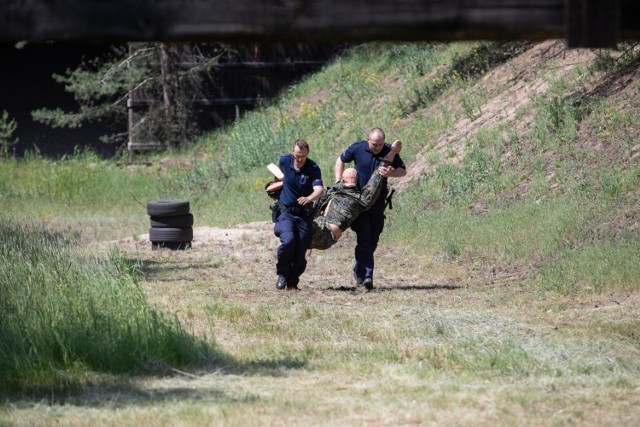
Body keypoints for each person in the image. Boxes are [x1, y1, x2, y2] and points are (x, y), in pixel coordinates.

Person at [334, 127, 406, 290]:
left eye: (380, 144)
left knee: (374, 237)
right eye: (374, 144)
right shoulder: (358, 147)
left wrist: (390, 173)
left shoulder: (389, 150)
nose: (378, 147)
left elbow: (403, 171)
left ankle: (359, 268)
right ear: (368, 140)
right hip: (358, 201)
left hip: (378, 203)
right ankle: (367, 277)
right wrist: (339, 181)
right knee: (365, 237)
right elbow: (340, 160)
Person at [310, 140, 402, 253]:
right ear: (343, 180)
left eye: (354, 176)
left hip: (326, 233)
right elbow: (375, 179)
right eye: (351, 176)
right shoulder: (334, 191)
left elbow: (377, 176)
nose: (352, 178)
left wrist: (392, 152)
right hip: (317, 229)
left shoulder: (358, 199)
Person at [273, 139, 324, 290]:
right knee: (288, 241)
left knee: (301, 249)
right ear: (292, 152)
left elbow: (319, 190)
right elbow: (280, 175)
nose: (300, 159)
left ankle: (292, 281)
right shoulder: (284, 160)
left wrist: (309, 198)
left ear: (308, 153)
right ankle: (282, 274)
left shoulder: (313, 168)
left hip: (304, 215)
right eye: (297, 155)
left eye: (303, 156)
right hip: (286, 212)